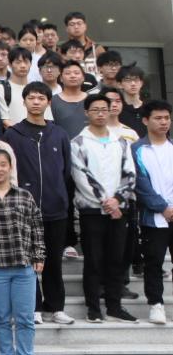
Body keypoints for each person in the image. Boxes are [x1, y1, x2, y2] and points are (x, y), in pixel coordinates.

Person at [2, 82, 75, 325]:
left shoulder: (59, 133)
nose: (36, 102)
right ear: (24, 101)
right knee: (27, 260)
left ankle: (56, 307)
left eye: (41, 98)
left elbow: (66, 170)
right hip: (24, 208)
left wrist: (60, 195)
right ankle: (33, 306)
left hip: (55, 208)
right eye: (31, 98)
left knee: (53, 260)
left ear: (48, 102)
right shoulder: (13, 134)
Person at [71, 94, 138, 323]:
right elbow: (82, 176)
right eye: (95, 109)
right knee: (93, 260)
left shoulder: (121, 141)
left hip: (119, 209)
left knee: (116, 259)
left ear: (110, 111)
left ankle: (114, 306)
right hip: (92, 210)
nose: (100, 114)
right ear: (86, 113)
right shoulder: (78, 142)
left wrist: (117, 199)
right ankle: (93, 308)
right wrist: (106, 202)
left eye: (104, 109)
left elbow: (129, 173)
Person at [0, 148, 46, 355]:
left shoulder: (24, 196)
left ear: (10, 167)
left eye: (3, 164)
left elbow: (37, 226)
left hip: (23, 265)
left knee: (25, 317)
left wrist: (39, 255)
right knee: (0, 317)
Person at [134, 101, 173, 324]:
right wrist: (163, 207)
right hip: (153, 218)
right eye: (158, 118)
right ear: (146, 120)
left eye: (167, 118)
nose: (164, 122)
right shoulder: (137, 149)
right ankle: (156, 305)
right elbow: (140, 184)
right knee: (154, 263)